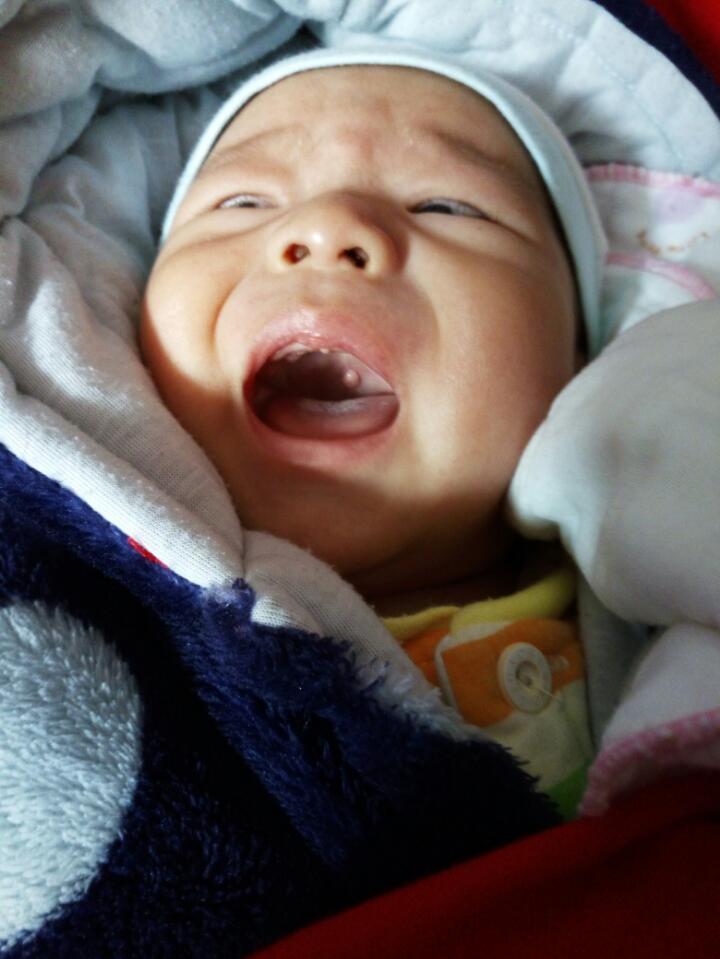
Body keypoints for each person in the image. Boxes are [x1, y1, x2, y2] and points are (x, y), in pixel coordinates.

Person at [140, 49, 606, 815]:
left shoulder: (664, 616)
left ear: (579, 359)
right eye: (243, 201)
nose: (329, 226)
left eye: (447, 206)